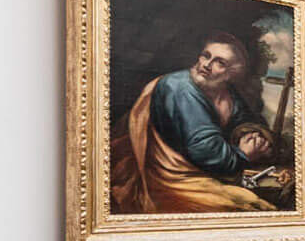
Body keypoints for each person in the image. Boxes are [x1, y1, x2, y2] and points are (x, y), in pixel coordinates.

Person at [111, 33, 287, 213]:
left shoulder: (225, 92)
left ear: (232, 74)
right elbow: (206, 151)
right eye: (206, 55)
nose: (206, 65)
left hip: (204, 174)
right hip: (171, 179)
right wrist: (243, 154)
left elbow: (246, 122)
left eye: (220, 62)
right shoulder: (179, 88)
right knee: (247, 207)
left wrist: (254, 138)